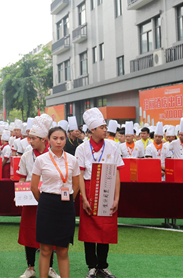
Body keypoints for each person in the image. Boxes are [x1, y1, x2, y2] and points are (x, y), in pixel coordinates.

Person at [76, 108, 124, 278]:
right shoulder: (82, 148)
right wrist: (83, 197)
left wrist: (117, 197)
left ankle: (102, 265)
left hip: (107, 188)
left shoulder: (113, 146)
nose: (106, 129)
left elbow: (117, 173)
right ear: (93, 130)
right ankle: (91, 265)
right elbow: (80, 175)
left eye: (105, 126)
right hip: (88, 189)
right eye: (102, 127)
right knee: (89, 232)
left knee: (106, 230)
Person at [31, 121, 80, 278]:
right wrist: (45, 201)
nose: (59, 141)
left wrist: (67, 200)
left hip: (66, 206)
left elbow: (77, 186)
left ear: (65, 139)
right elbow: (33, 187)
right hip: (46, 204)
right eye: (55, 138)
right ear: (48, 139)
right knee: (45, 249)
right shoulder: (41, 160)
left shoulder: (72, 160)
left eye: (62, 138)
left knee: (63, 249)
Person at [16, 115, 60, 278]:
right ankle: (30, 267)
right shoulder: (27, 156)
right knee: (29, 233)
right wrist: (18, 194)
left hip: (49, 199)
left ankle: (49, 267)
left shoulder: (54, 155)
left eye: (33, 138)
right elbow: (22, 178)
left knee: (50, 233)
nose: (30, 141)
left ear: (43, 139)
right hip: (29, 199)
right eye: (29, 138)